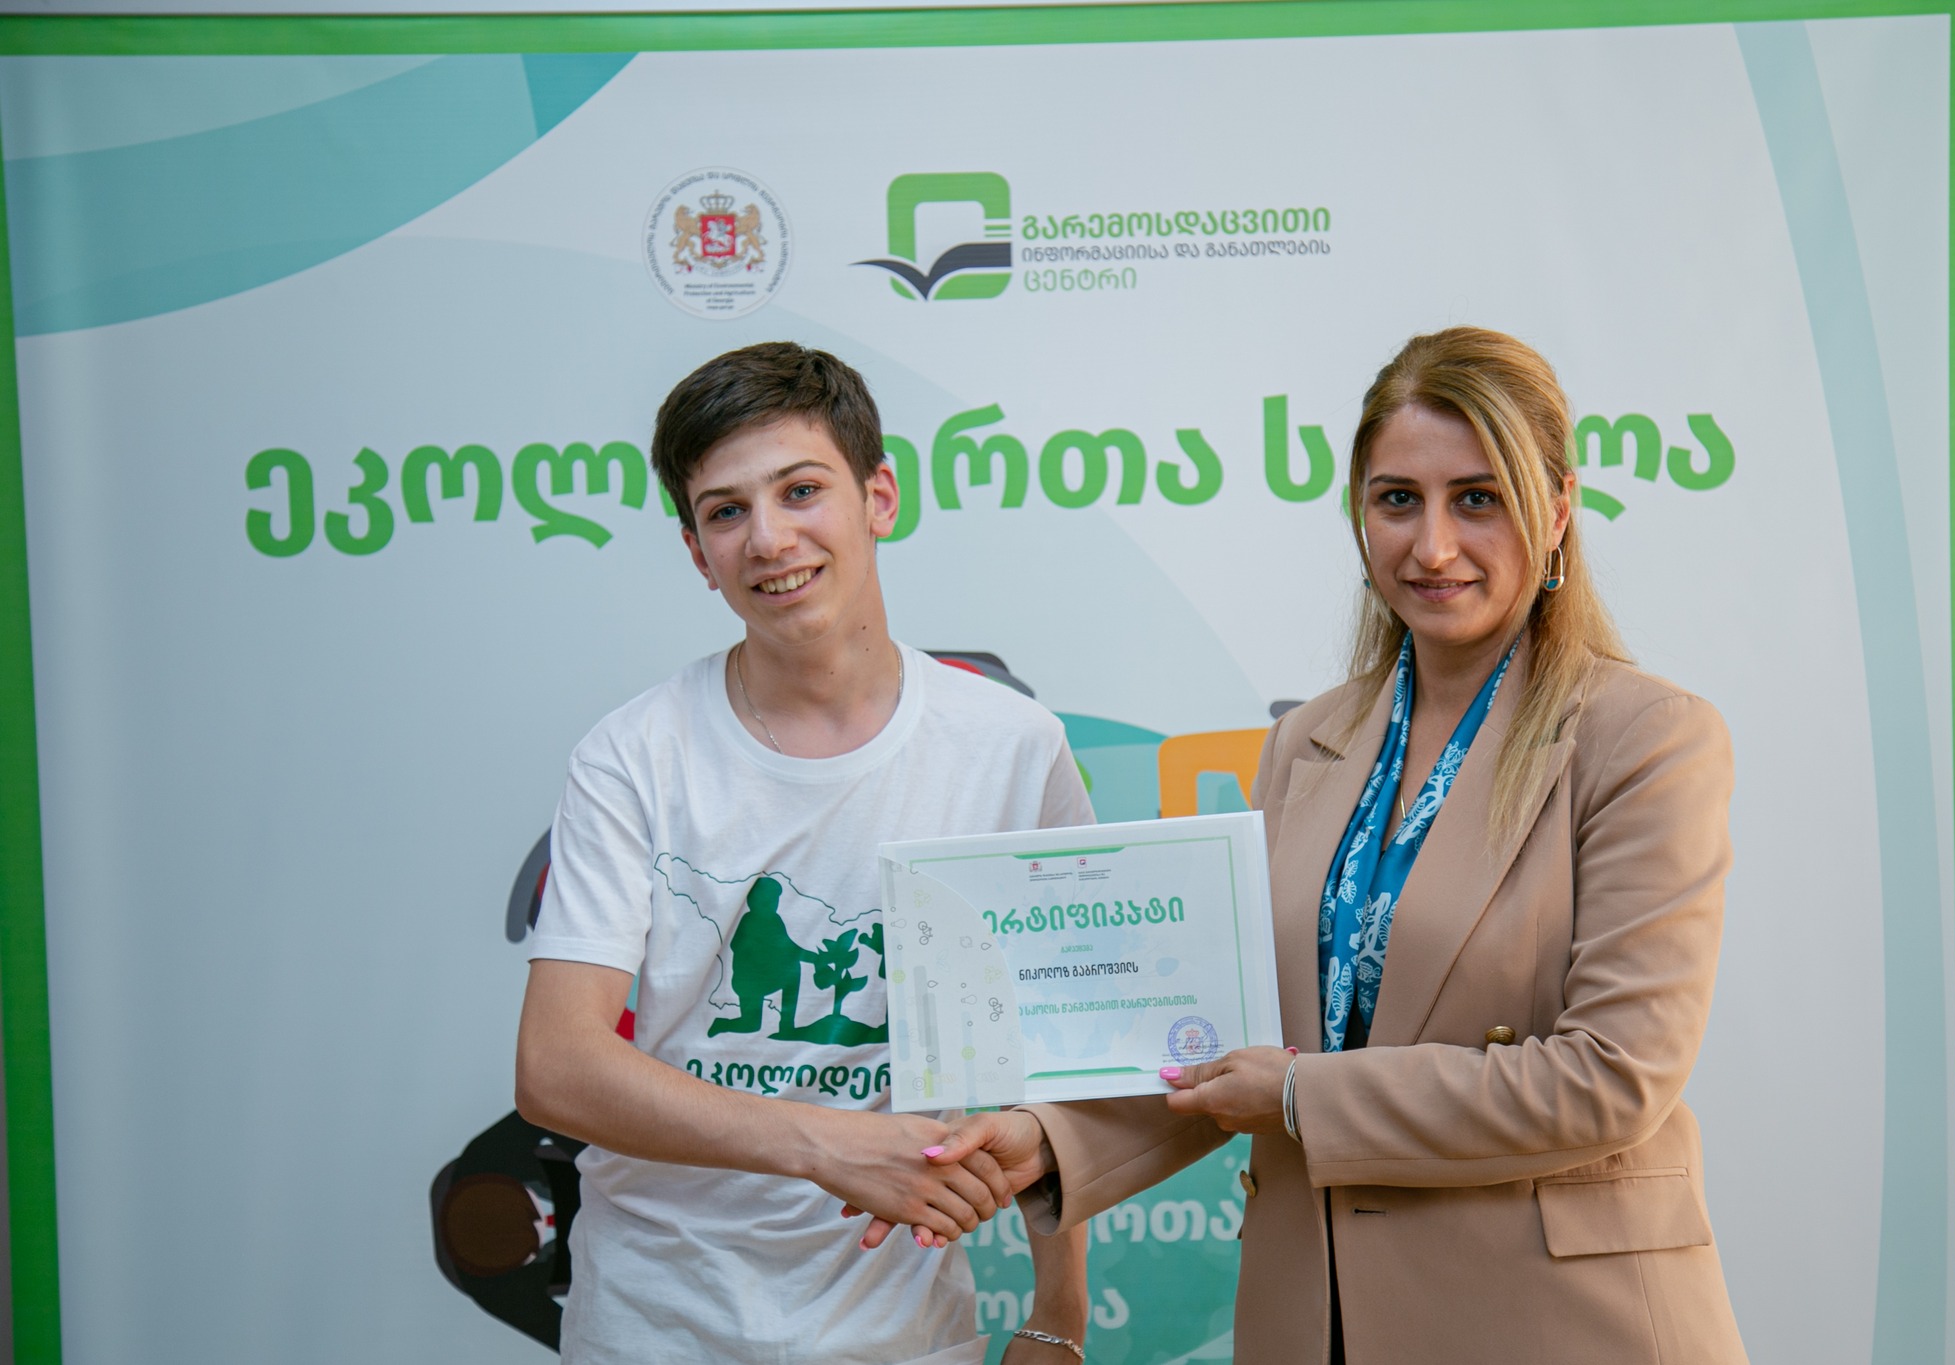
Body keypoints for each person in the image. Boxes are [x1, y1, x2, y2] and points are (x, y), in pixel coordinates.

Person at [921, 327, 1749, 1363]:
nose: (1431, 546)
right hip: (1317, 1318)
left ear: (1556, 511)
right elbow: (1226, 1044)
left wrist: (1296, 1095)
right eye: (1397, 499)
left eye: (1478, 498)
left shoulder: (1645, 738)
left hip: (1558, 1323)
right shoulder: (1306, 743)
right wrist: (1049, 1140)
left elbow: (1611, 1077)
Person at [514, 342, 1092, 1365]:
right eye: (725, 511)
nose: (769, 538)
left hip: (904, 1329)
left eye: (801, 490)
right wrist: (827, 1145)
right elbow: (557, 1066)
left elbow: (1066, 1049)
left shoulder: (1012, 747)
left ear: (879, 497)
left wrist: (1059, 1315)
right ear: (697, 553)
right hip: (655, 1323)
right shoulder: (632, 754)